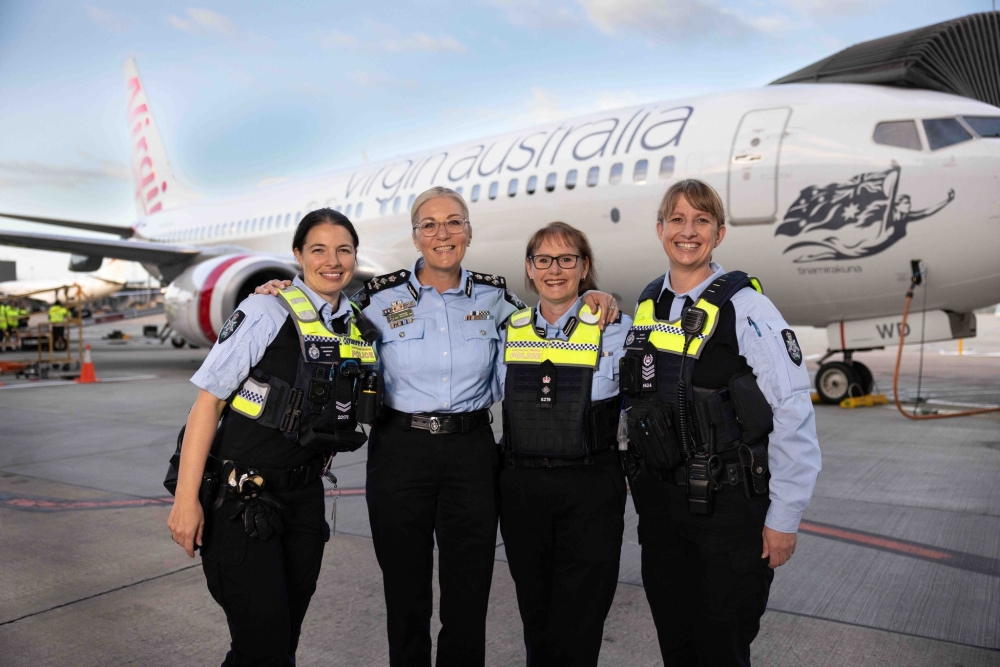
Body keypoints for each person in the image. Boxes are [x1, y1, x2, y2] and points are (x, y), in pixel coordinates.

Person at [255, 186, 617, 667]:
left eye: (453, 222)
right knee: (405, 590)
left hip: (471, 451)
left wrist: (592, 293)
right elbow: (328, 317)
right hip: (401, 450)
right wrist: (284, 289)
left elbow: (549, 317)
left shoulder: (495, 299)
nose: (442, 233)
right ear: (415, 234)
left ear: (468, 231)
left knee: (468, 591)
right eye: (430, 224)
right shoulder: (379, 299)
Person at [620, 179, 821, 666]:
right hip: (663, 511)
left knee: (722, 649)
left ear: (720, 233)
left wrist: (783, 519)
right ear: (660, 229)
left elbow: (793, 408)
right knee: (677, 644)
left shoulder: (747, 307)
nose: (688, 232)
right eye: (677, 220)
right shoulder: (649, 306)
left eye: (702, 220)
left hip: (729, 512)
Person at [167, 208, 380, 667]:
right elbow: (208, 404)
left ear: (355, 256)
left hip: (304, 500)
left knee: (281, 642)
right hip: (242, 498)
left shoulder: (356, 326)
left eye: (343, 250)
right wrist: (186, 500)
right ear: (298, 255)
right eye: (318, 249)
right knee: (261, 646)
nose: (332, 260)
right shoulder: (265, 309)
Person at [495, 222, 631, 667]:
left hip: (591, 485)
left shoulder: (618, 330)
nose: (555, 270)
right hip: (522, 488)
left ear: (584, 267)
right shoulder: (507, 332)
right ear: (530, 270)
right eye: (544, 260)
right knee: (535, 613)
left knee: (583, 617)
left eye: (567, 259)